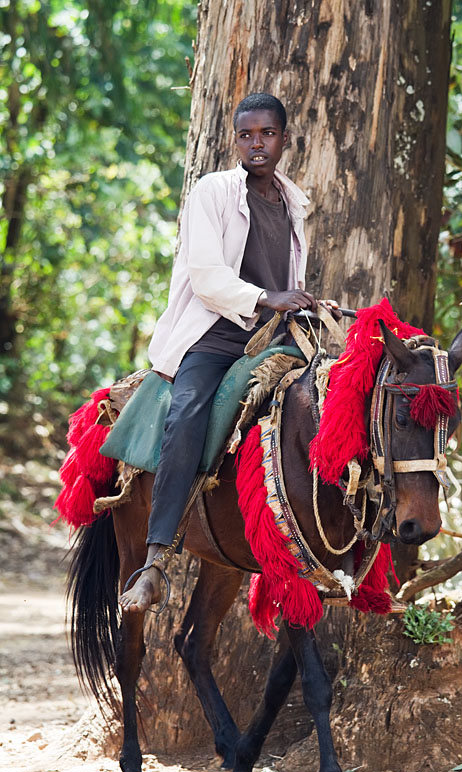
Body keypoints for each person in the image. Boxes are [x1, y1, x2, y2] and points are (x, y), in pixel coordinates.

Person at [119, 92, 318, 613]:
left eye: (267, 133)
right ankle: (156, 558)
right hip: (216, 334)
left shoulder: (294, 203)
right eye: (247, 135)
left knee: (326, 404)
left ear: (284, 138)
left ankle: (330, 550)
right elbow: (208, 278)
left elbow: (285, 280)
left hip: (275, 336)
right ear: (235, 141)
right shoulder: (212, 192)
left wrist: (299, 300)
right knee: (186, 415)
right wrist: (267, 296)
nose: (257, 143)